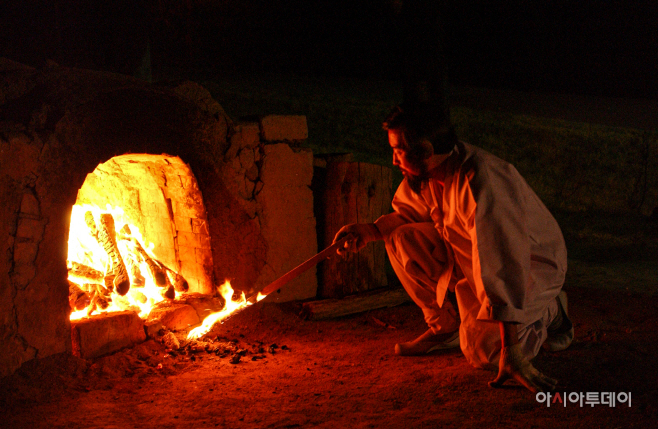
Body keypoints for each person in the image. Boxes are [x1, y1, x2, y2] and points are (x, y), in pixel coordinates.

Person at [333, 104, 574, 393]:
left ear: (423, 150)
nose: (394, 160)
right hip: (472, 261)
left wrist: (513, 352)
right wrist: (370, 231)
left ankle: (552, 310)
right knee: (399, 237)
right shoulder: (431, 170)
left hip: (530, 269)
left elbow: (503, 261)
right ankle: (444, 327)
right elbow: (410, 214)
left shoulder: (481, 183)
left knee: (486, 352)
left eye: (399, 151)